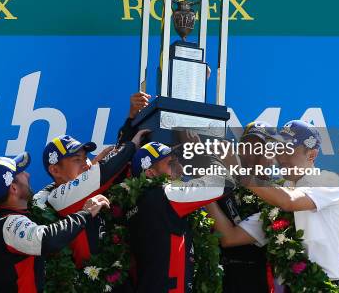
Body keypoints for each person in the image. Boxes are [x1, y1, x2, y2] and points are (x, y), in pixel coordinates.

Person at [210, 120, 339, 286]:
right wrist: (204, 189)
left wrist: (239, 172)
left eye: (289, 150)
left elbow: (289, 201)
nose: (281, 157)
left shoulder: (328, 180)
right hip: (294, 288)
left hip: (328, 287)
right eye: (279, 150)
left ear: (311, 155)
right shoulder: (278, 195)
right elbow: (229, 237)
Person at [0, 154, 109, 293]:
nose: (28, 175)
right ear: (14, 188)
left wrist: (86, 175)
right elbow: (46, 239)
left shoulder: (2, 220)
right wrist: (86, 213)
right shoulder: (9, 224)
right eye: (21, 173)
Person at [33, 127, 149, 268]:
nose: (87, 164)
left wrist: (130, 124)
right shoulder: (59, 197)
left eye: (86, 158)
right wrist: (131, 146)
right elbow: (106, 170)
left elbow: (111, 167)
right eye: (77, 160)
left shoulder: (81, 188)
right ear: (55, 170)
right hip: (91, 282)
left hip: (113, 273)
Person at [127, 141, 231, 293]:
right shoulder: (164, 195)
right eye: (171, 164)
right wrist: (205, 155)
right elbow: (225, 182)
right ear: (150, 173)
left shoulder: (138, 202)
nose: (181, 170)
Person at [206, 121, 277, 293]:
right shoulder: (223, 179)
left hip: (252, 281)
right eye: (247, 146)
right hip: (217, 277)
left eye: (259, 147)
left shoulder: (277, 196)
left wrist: (204, 195)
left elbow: (229, 238)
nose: (251, 153)